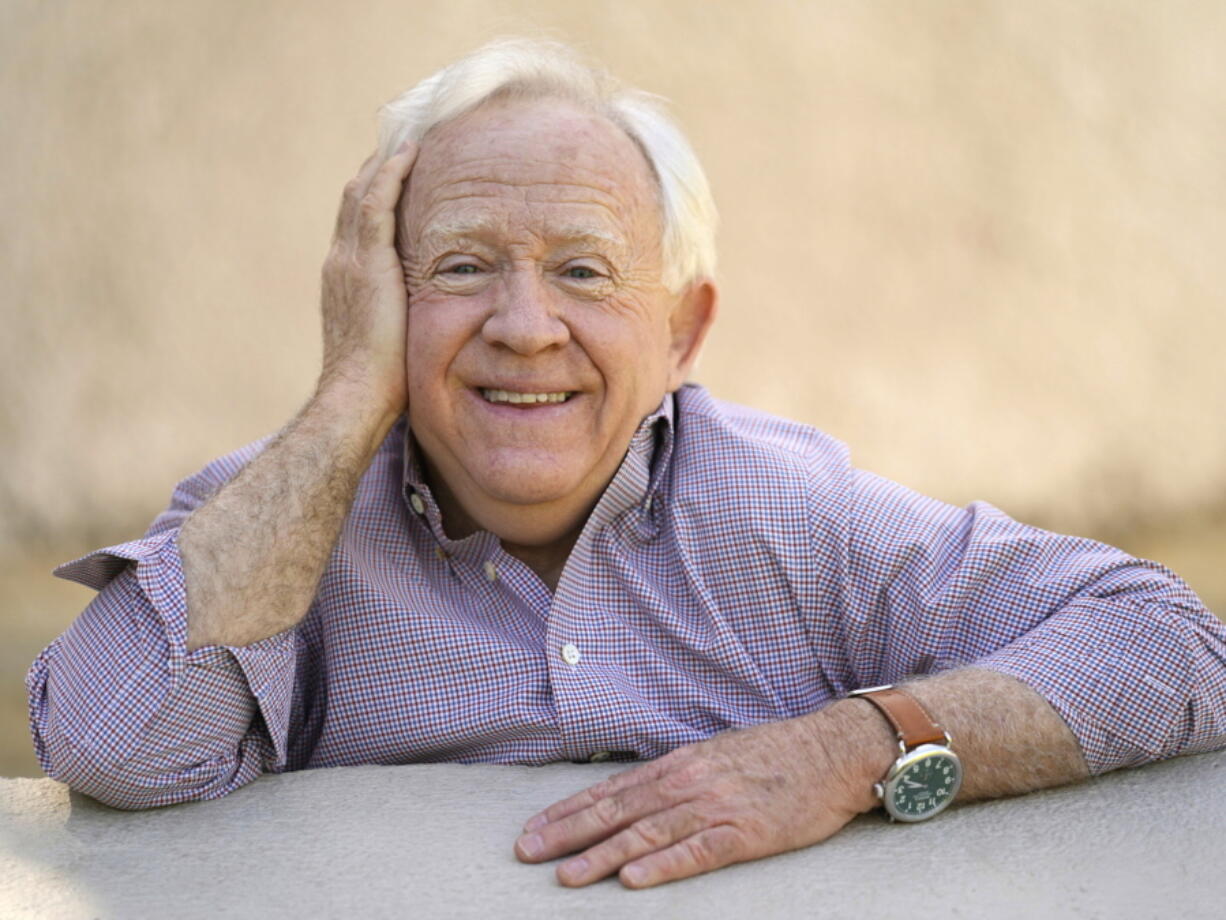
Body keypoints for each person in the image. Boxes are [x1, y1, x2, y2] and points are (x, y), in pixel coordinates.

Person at [27, 38, 1226, 889]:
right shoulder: (271, 521)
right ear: (378, 298)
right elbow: (113, 742)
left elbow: (1170, 644)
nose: (524, 324)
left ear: (682, 330)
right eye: (457, 266)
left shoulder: (781, 507)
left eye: (584, 271)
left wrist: (849, 747)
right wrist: (348, 393)